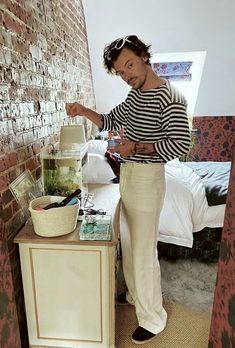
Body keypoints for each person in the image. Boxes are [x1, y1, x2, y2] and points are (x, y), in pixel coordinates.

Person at [66, 35, 191, 345]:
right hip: (130, 175)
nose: (127, 75)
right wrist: (83, 110)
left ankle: (154, 318)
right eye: (120, 72)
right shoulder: (135, 96)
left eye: (130, 65)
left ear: (144, 56)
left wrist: (136, 146)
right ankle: (136, 296)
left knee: (145, 251)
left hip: (149, 177)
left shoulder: (170, 96)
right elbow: (109, 120)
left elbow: (181, 144)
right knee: (131, 243)